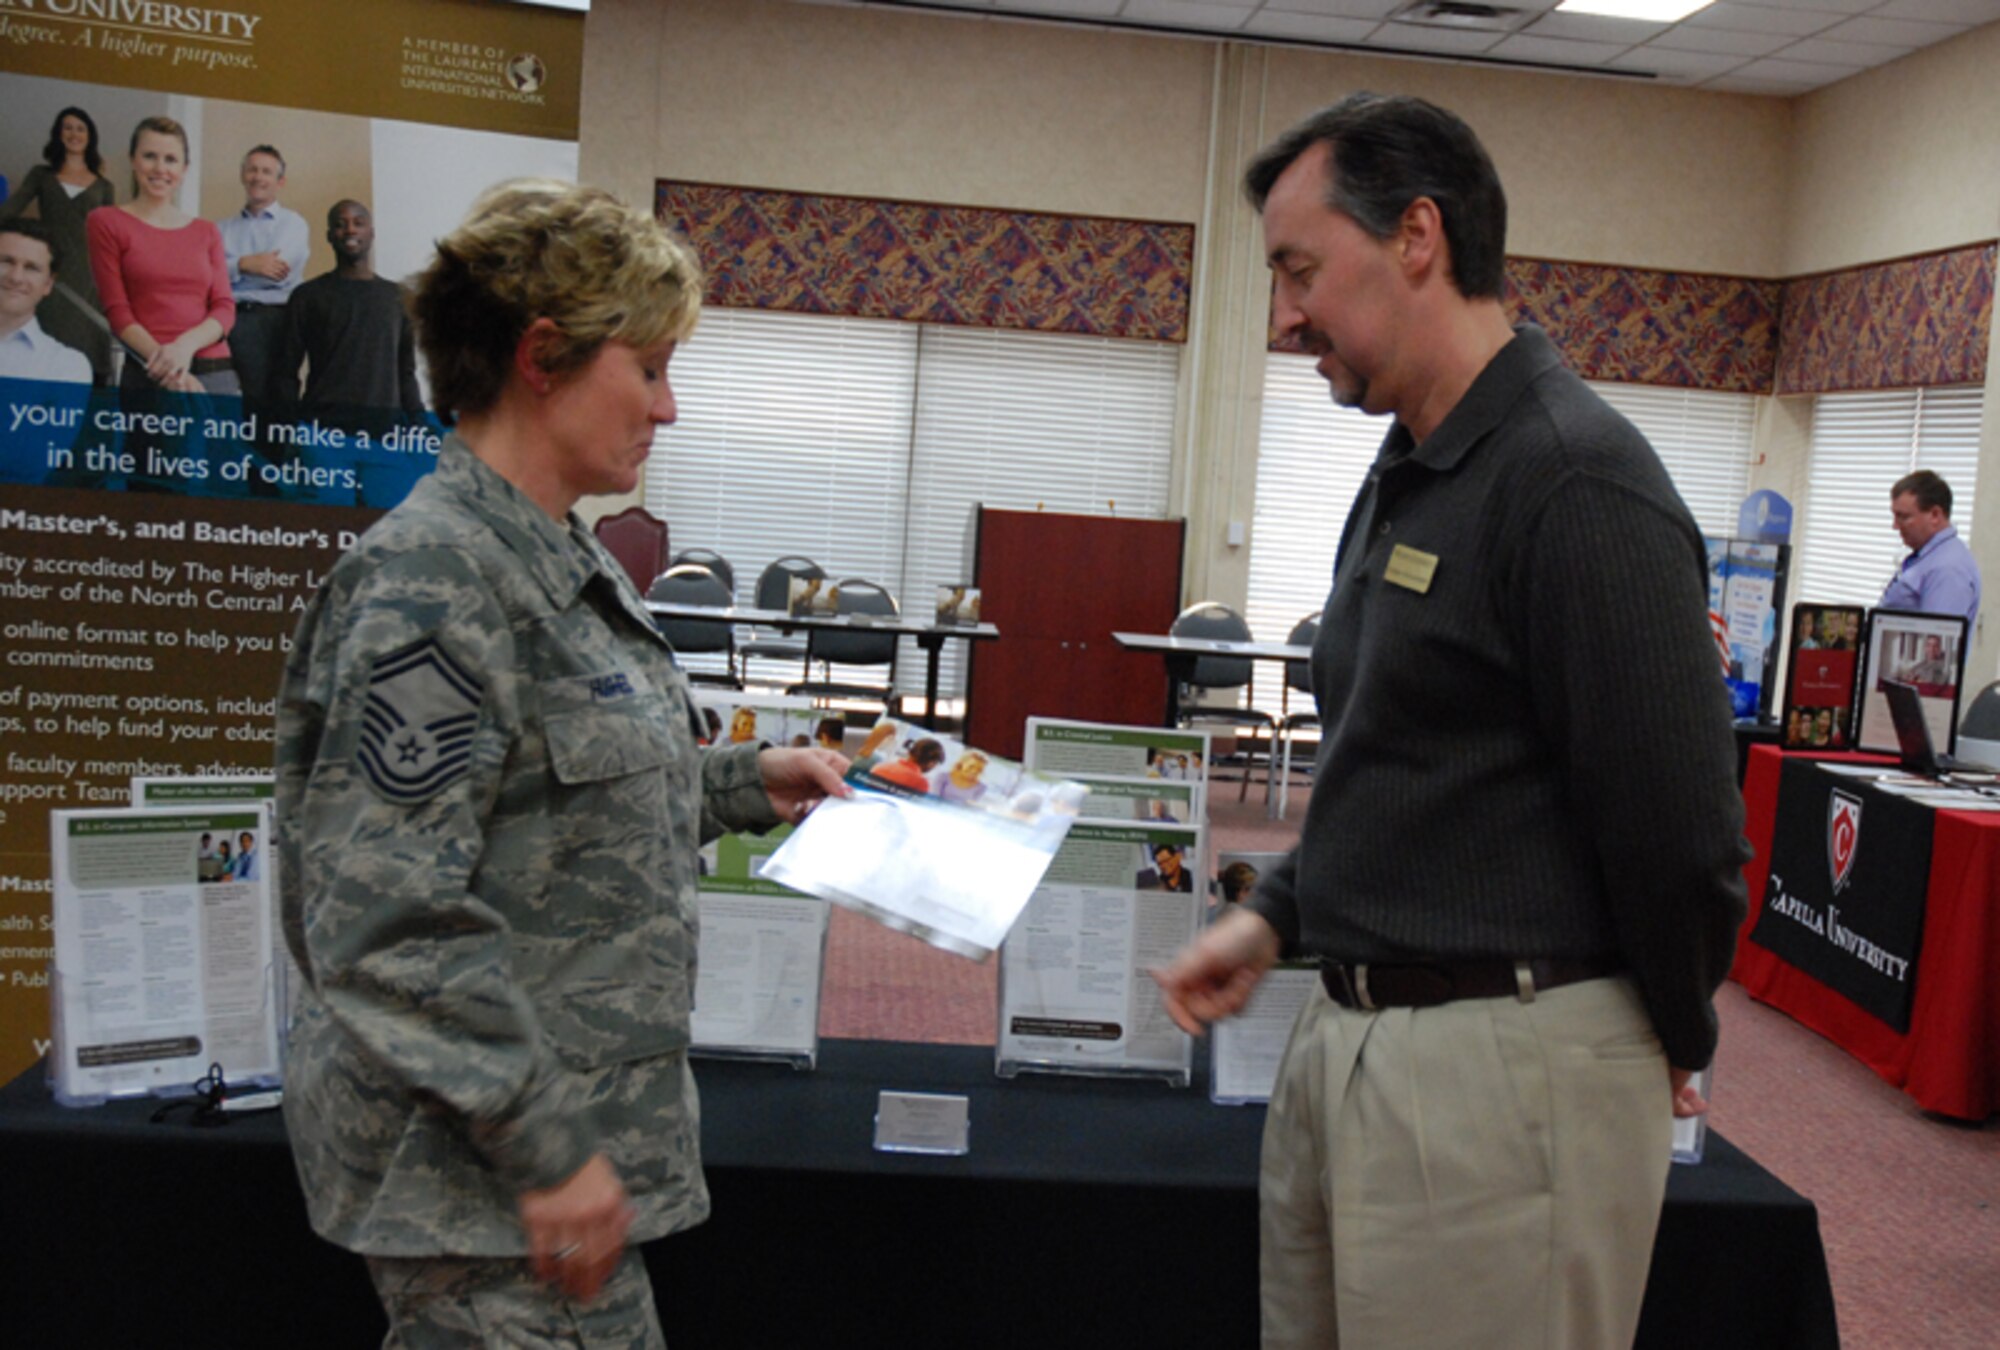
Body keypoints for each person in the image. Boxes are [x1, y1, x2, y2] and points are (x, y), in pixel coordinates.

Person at [1153, 94, 1747, 1350]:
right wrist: (1275, 914)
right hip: (1358, 1042)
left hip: (1506, 1074)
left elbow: (1679, 830)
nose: (1282, 318)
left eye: (1298, 270)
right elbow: (1402, 761)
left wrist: (1670, 1031)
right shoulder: (1412, 466)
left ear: (1415, 237)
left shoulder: (1572, 479)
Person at [275, 179, 850, 1347]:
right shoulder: (432, 587)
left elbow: (549, 807)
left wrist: (745, 785)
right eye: (647, 368)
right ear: (543, 357)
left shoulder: (555, 561)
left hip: (532, 1173)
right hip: (477, 1188)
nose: (669, 407)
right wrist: (545, 1141)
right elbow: (383, 917)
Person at [86, 116, 236, 398]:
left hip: (215, 373)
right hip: (150, 370)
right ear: (133, 160)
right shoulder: (106, 222)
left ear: (184, 168)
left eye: (170, 159)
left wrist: (183, 349)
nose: (160, 168)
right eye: (150, 156)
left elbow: (224, 308)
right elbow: (117, 311)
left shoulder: (207, 231)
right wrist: (170, 367)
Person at [277, 200, 426, 421]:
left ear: (371, 233)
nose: (350, 230)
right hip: (323, 433)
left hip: (383, 434)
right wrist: (288, 427)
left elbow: (405, 371)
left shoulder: (398, 297)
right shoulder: (307, 296)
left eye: (359, 223)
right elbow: (286, 372)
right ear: (329, 236)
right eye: (340, 224)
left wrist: (419, 422)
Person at [0, 106, 116, 383]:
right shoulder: (41, 175)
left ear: (90, 136)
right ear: (58, 134)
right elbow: (8, 212)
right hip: (51, 274)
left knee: (84, 349)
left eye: (80, 128)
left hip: (89, 281)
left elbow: (110, 238)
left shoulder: (104, 186)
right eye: (67, 127)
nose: (73, 133)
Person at [216, 145, 308, 416]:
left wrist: (232, 270)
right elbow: (208, 276)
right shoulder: (221, 229)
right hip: (231, 320)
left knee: (275, 403)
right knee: (235, 403)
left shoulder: (294, 224)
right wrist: (246, 264)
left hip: (277, 321)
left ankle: (272, 460)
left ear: (280, 182)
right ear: (243, 175)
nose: (258, 177)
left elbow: (280, 275)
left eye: (267, 171)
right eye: (252, 169)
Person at [1881, 470, 1981, 630]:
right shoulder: (1926, 558)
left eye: (1904, 517)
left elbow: (1935, 645)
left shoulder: (1948, 569)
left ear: (1935, 515)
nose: (1895, 526)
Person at [0, 223, 93, 384]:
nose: (16, 277)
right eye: (6, 261)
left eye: (31, 268)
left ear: (48, 284)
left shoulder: (67, 364)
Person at [871, 737, 944, 791]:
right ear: (931, 763)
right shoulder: (921, 782)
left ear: (910, 752)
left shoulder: (880, 766)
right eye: (936, 763)